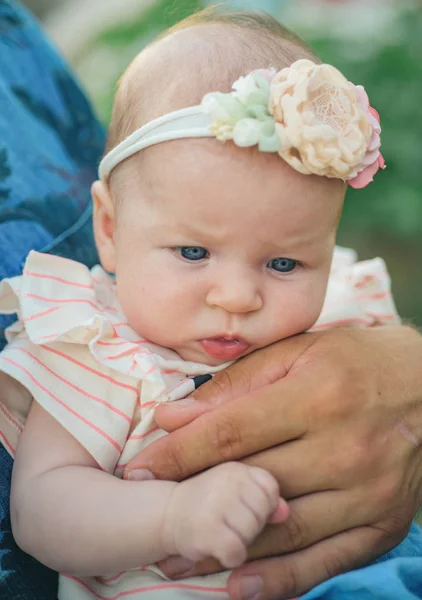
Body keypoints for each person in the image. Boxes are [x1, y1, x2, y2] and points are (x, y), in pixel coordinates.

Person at [0, 4, 421, 600]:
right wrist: (172, 515)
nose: (237, 297)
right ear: (111, 229)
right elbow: (42, 512)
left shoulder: (337, 328)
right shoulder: (99, 352)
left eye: (283, 264)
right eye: (193, 252)